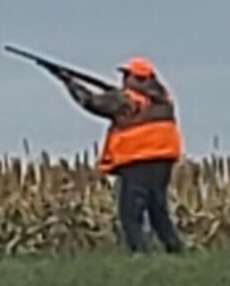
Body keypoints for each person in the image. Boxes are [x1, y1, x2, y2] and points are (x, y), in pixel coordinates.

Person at [67, 56, 185, 253]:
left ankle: (139, 252)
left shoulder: (126, 100)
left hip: (136, 161)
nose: (124, 79)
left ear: (136, 79)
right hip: (162, 161)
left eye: (127, 75)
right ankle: (175, 248)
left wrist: (70, 83)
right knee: (158, 210)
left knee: (130, 213)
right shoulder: (164, 100)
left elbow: (91, 102)